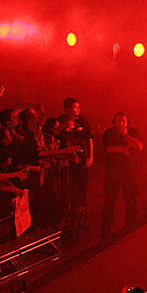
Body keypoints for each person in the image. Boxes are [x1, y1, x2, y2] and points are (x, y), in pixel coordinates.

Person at [100, 111, 143, 237]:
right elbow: (110, 149)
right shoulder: (108, 133)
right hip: (113, 172)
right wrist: (125, 149)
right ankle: (105, 230)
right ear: (114, 122)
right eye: (118, 121)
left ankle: (131, 227)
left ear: (127, 123)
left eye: (123, 121)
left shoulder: (133, 132)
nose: (121, 123)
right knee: (109, 201)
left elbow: (139, 146)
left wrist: (126, 137)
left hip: (130, 172)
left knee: (131, 200)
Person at [56, 97, 93, 233]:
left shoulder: (82, 121)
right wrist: (67, 123)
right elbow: (55, 134)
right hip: (67, 162)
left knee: (81, 190)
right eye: (73, 108)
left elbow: (89, 138)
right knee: (67, 190)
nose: (76, 110)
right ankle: (68, 221)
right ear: (67, 109)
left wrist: (90, 157)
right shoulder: (60, 120)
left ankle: (82, 221)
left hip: (82, 160)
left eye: (77, 108)